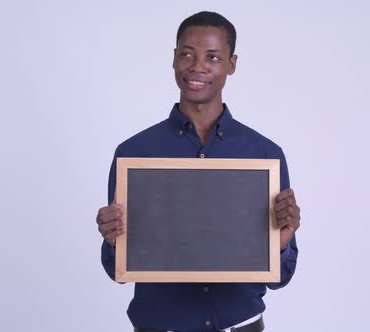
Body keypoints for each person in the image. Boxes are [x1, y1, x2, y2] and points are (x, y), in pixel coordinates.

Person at [96, 11, 301, 332]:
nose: (198, 66)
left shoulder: (264, 156)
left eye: (213, 57)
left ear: (231, 64)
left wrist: (280, 242)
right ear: (174, 59)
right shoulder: (134, 154)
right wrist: (112, 240)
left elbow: (281, 276)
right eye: (187, 54)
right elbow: (116, 268)